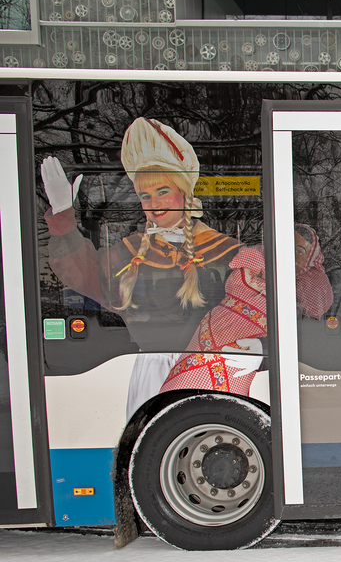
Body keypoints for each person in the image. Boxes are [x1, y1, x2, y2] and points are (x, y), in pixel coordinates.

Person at [41, 117, 242, 416]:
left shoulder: (227, 251)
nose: (154, 203)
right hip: (151, 373)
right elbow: (84, 276)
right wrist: (64, 219)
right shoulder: (128, 253)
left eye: (163, 191)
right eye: (145, 195)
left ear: (184, 193)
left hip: (212, 369)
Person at [159, 224, 333, 394]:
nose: (290, 255)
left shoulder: (302, 285)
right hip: (216, 332)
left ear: (309, 261)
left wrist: (263, 348)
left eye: (299, 251)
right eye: (286, 245)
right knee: (188, 391)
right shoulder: (253, 262)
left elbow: (318, 305)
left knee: (228, 400)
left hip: (246, 353)